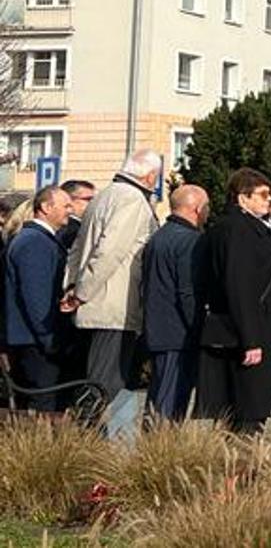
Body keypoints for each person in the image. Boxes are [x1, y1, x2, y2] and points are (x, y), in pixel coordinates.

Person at [195, 168, 271, 433]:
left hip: (251, 328)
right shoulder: (239, 230)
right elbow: (240, 285)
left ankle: (239, 469)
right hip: (248, 333)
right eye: (262, 194)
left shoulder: (243, 228)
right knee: (248, 411)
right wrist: (251, 339)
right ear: (242, 198)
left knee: (245, 411)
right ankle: (242, 471)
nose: (268, 199)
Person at [61, 149, 163, 403]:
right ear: (150, 176)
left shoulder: (102, 196)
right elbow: (110, 251)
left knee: (94, 380)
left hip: (94, 303)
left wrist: (71, 286)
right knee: (104, 383)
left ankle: (84, 434)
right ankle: (83, 438)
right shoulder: (132, 200)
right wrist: (81, 292)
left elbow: (77, 248)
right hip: (112, 306)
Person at [141, 184, 207, 420]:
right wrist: (199, 327)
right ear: (197, 209)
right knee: (170, 404)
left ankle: (155, 448)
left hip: (158, 328)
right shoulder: (190, 241)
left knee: (159, 398)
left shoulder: (159, 236)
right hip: (178, 334)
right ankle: (157, 450)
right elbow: (187, 291)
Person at [5, 187, 72, 413]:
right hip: (34, 341)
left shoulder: (33, 239)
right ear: (45, 207)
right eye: (65, 206)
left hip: (28, 339)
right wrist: (49, 339)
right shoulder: (35, 242)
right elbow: (36, 298)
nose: (70, 212)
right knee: (42, 406)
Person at [56, 179, 94, 250]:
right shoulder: (72, 230)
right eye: (88, 199)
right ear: (68, 200)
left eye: (94, 199)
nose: (93, 203)